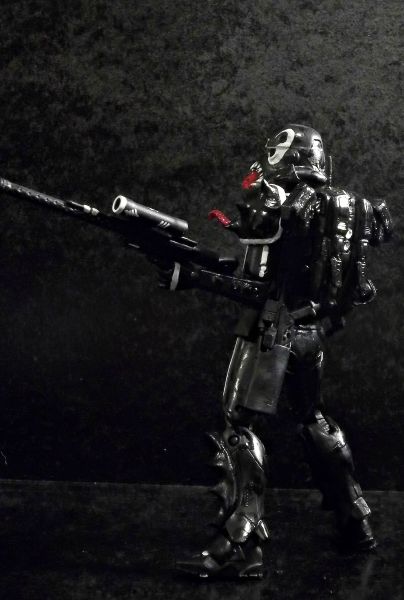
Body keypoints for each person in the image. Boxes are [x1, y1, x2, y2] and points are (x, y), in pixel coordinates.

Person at [157, 124, 393, 579]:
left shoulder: (279, 203)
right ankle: (356, 524)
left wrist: (192, 278)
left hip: (272, 330)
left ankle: (239, 546)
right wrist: (197, 261)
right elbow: (274, 272)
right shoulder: (342, 205)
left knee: (238, 426)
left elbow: (257, 288)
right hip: (310, 334)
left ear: (286, 157)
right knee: (313, 417)